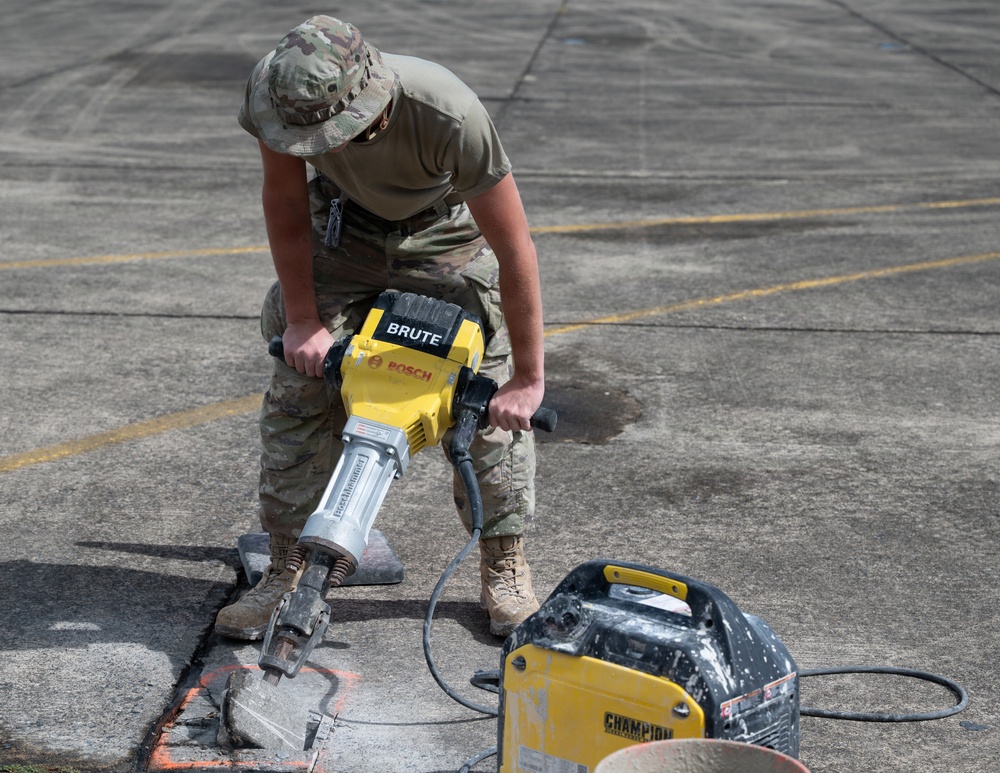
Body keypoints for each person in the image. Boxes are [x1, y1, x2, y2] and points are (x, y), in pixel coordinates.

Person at [214, 16, 545, 640]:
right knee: (299, 384)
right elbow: (285, 202)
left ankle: (504, 559)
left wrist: (526, 379)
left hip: (443, 232)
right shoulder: (277, 97)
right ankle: (286, 566)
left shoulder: (448, 112)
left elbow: (515, 249)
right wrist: (306, 321)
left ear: (376, 105)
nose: (319, 147)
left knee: (485, 399)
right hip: (344, 228)